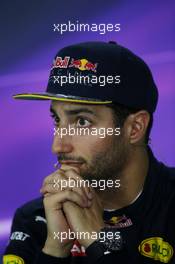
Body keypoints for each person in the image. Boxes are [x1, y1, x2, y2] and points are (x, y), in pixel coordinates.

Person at [3, 41, 175, 264]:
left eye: (82, 121)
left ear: (135, 128)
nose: (58, 146)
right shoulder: (35, 219)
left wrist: (99, 241)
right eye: (57, 119)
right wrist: (55, 249)